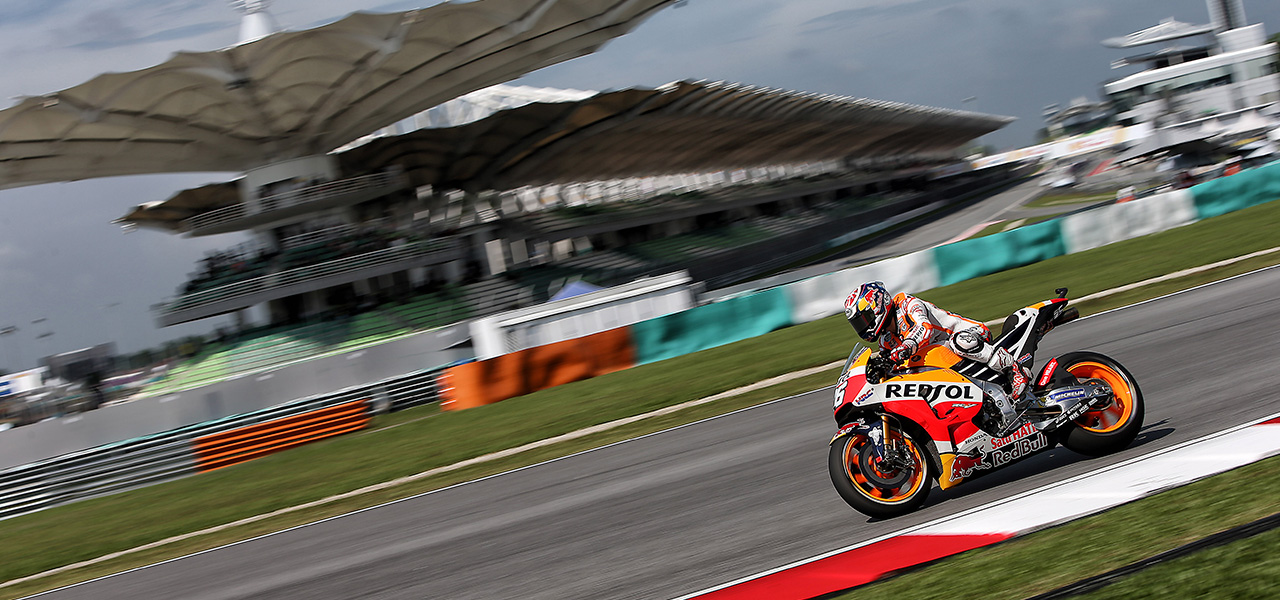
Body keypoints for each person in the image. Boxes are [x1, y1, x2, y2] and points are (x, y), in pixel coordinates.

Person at [844, 281, 1031, 433]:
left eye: (865, 318)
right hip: (942, 356)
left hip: (968, 335)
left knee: (959, 342)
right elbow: (889, 360)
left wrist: (904, 349)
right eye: (859, 323)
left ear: (877, 306)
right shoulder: (887, 339)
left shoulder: (908, 304)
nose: (863, 326)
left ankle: (1014, 370)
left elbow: (924, 329)